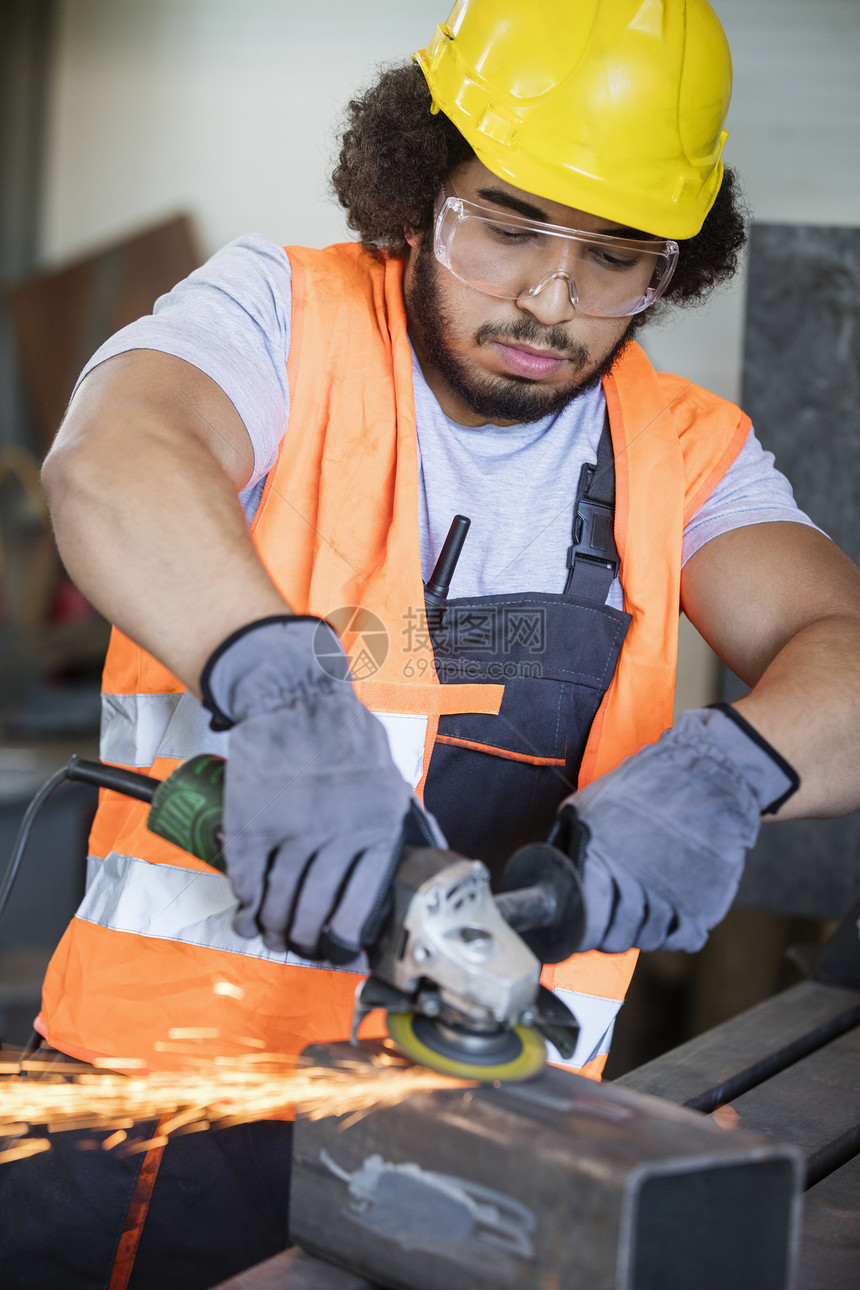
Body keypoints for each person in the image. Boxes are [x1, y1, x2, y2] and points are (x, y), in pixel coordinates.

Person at [4, 1, 859, 1286]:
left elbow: (835, 642)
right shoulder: (277, 317)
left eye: (615, 257)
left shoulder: (684, 449)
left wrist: (732, 770)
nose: (550, 300)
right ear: (416, 188)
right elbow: (114, 463)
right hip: (169, 1118)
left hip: (496, 1137)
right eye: (505, 227)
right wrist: (282, 693)